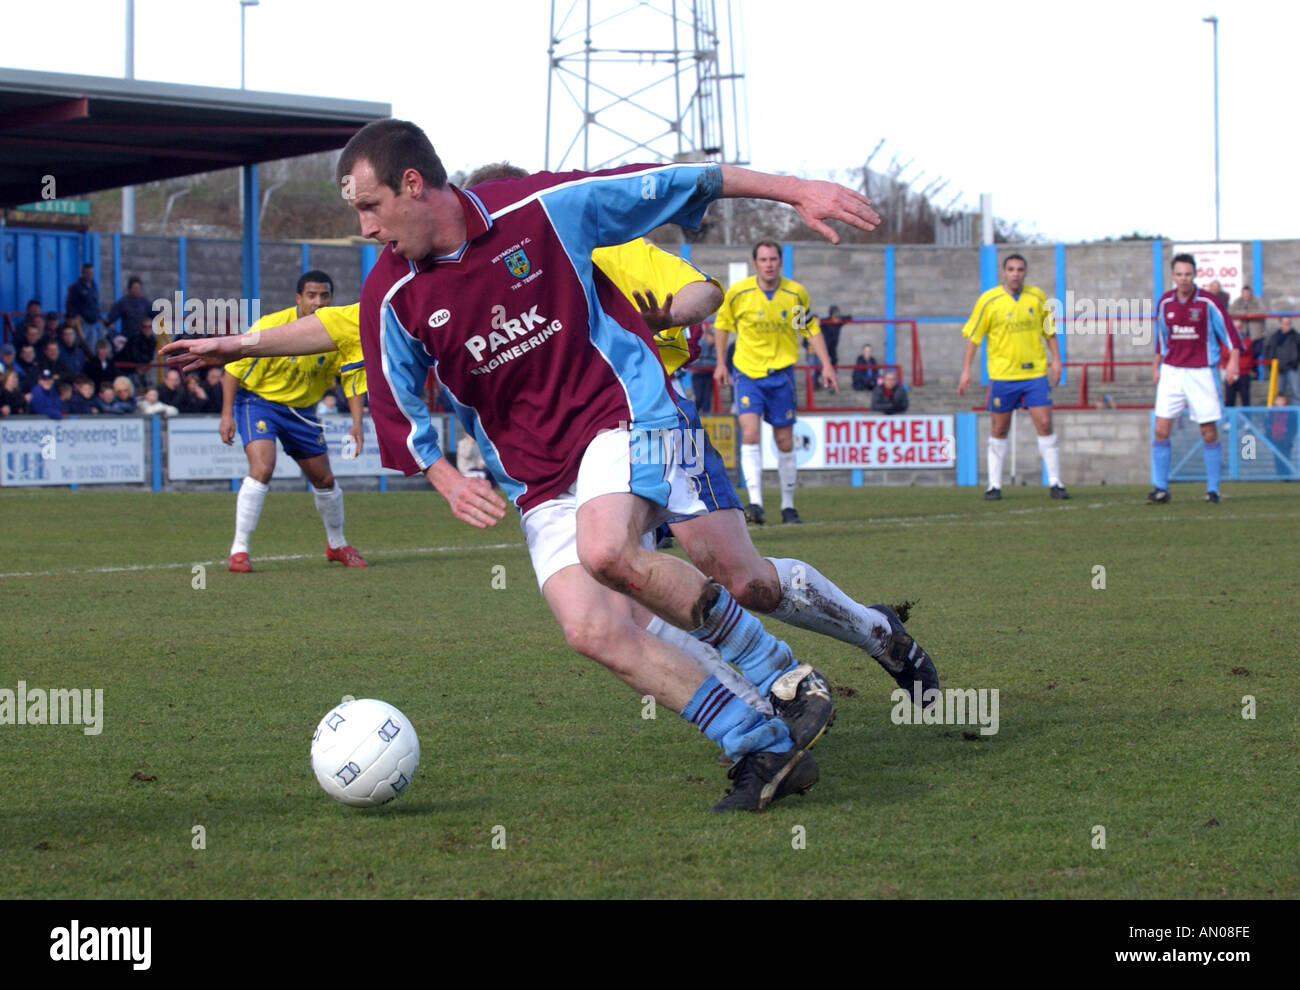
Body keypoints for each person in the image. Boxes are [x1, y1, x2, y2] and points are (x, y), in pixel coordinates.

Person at [168, 119, 906, 812]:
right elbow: (395, 402)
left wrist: (796, 189)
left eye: (370, 207)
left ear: (415, 184)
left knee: (613, 551)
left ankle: (782, 672)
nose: (364, 228)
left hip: (624, 412)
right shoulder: (390, 295)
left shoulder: (541, 209)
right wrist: (442, 473)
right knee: (590, 628)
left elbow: (681, 177)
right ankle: (758, 743)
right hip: (537, 476)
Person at [221, 270, 367, 573]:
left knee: (325, 481)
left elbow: (351, 376)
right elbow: (233, 370)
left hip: (302, 412)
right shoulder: (271, 326)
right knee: (262, 468)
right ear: (298, 298)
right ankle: (239, 550)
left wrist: (357, 422)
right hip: (259, 402)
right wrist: (226, 415)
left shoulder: (337, 334)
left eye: (324, 295)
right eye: (311, 295)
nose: (318, 302)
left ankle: (337, 544)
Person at [712, 240, 837, 525]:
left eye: (773, 259)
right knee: (751, 432)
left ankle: (788, 505)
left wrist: (826, 364)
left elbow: (809, 328)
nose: (769, 264)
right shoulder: (739, 294)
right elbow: (722, 326)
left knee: (783, 440)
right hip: (747, 373)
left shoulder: (794, 294)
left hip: (781, 375)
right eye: (763, 259)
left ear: (780, 262)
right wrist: (721, 362)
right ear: (755, 263)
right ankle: (755, 503)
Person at [957, 253, 1068, 500]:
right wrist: (966, 370)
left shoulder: (1037, 297)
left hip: (1035, 374)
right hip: (1003, 376)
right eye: (1011, 269)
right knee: (999, 427)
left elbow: (1049, 331)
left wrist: (1057, 360)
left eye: (1019, 269)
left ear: (1025, 272)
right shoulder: (989, 301)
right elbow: (973, 337)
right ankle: (994, 485)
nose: (1015, 273)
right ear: (1003, 272)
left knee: (1045, 423)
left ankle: (1055, 482)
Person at [1148, 253, 1241, 504]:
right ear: (1172, 276)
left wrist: (1233, 360)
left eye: (1188, 274)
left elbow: (1230, 335)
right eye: (1179, 274)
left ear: (1195, 274)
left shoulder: (1209, 303)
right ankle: (1160, 488)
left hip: (1202, 371)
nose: (1184, 279)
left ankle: (1213, 489)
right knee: (1160, 428)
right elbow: (1161, 338)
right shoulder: (1165, 303)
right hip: (1172, 371)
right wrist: (1157, 365)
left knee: (1208, 432)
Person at [65, 264, 105, 349]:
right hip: (83, 322)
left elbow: (96, 303)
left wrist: (99, 317)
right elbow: (71, 304)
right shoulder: (76, 287)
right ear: (83, 273)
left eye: (91, 273)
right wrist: (76, 315)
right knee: (82, 345)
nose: (89, 275)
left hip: (94, 322)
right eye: (87, 273)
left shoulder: (94, 286)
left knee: (93, 346)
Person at [1264, 316, 1300, 406]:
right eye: (1285, 323)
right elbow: (1269, 351)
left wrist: (1295, 362)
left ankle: (1296, 417)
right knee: (1279, 395)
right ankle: (1280, 418)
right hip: (1278, 369)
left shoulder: (1296, 336)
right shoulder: (1274, 337)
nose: (1287, 326)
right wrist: (1271, 366)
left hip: (1293, 368)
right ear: (1280, 324)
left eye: (1289, 323)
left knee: (1296, 393)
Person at [814, 304, 849, 388]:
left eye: (838, 317)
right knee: (821, 364)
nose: (836, 319)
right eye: (835, 317)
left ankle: (831, 382)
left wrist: (841, 318)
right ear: (831, 315)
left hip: (833, 347)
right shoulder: (825, 322)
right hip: (824, 347)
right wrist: (817, 320)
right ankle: (816, 382)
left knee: (833, 363)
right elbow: (816, 320)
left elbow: (848, 317)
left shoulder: (839, 323)